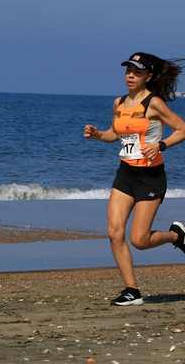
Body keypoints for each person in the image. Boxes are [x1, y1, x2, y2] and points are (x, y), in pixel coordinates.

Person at [84, 52, 185, 306]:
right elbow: (113, 135)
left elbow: (182, 129)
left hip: (151, 177)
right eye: (128, 70)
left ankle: (177, 236)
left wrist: (161, 145)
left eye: (137, 71)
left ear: (148, 76)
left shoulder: (154, 103)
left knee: (139, 240)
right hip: (126, 174)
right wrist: (97, 134)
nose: (130, 75)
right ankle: (132, 290)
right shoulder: (119, 103)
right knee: (114, 232)